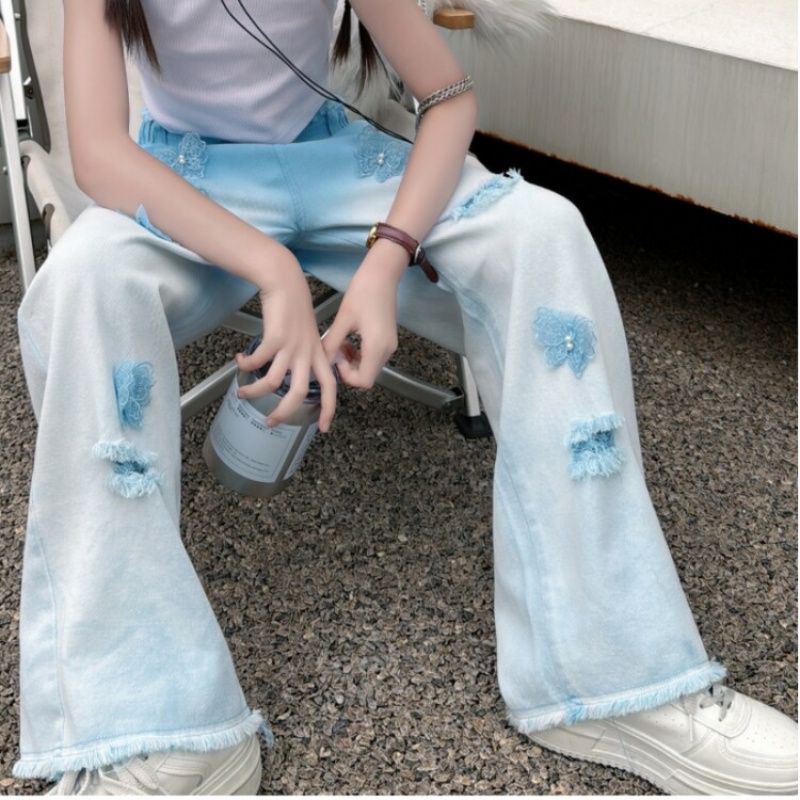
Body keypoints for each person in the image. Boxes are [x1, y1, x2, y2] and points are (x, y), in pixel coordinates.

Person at [12, 0, 796, 795]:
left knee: (544, 234)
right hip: (186, 183)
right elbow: (101, 155)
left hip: (341, 170)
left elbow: (447, 97)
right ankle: (160, 724)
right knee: (79, 289)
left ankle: (612, 675)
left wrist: (388, 258)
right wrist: (273, 270)